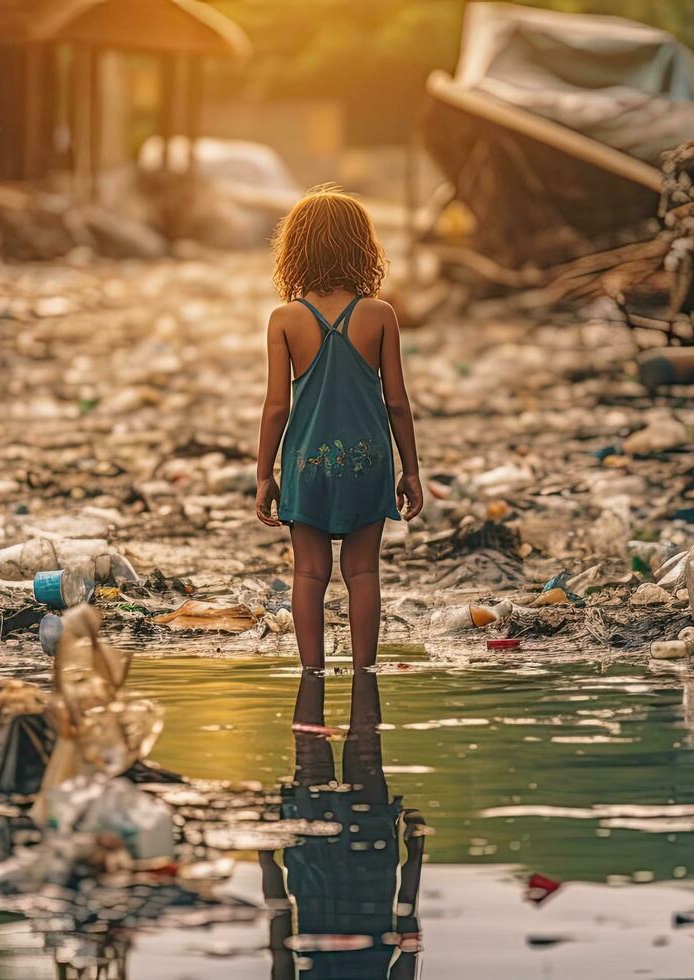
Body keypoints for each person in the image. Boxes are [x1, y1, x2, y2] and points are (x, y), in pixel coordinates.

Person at [255, 185, 423, 671]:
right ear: (362, 248)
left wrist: (265, 474)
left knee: (308, 574)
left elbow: (274, 408)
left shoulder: (285, 319)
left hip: (308, 462)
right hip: (367, 460)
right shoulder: (379, 315)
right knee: (363, 571)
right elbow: (396, 402)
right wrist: (410, 470)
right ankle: (364, 673)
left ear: (295, 252)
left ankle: (312, 675)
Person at [261, 669, 426, 979]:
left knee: (362, 748)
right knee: (322, 749)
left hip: (345, 871)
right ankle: (341, 665)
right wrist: (267, 858)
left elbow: (408, 937)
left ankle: (324, 665)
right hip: (330, 871)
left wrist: (414, 859)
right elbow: (279, 936)